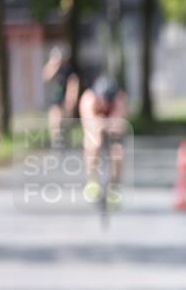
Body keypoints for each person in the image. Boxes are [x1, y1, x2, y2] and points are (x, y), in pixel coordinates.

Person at [79, 73, 127, 206]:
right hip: (94, 129)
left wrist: (105, 123)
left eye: (108, 101)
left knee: (118, 153)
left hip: (111, 129)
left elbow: (119, 125)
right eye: (103, 100)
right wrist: (103, 124)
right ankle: (92, 181)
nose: (105, 104)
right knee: (93, 144)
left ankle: (114, 187)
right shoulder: (88, 99)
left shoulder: (119, 98)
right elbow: (89, 125)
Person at [43, 46, 80, 149]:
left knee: (65, 124)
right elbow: (46, 76)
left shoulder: (68, 70)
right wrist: (53, 64)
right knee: (54, 122)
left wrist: (70, 102)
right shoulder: (52, 68)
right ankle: (56, 143)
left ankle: (64, 143)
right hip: (55, 101)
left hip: (65, 101)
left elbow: (73, 85)